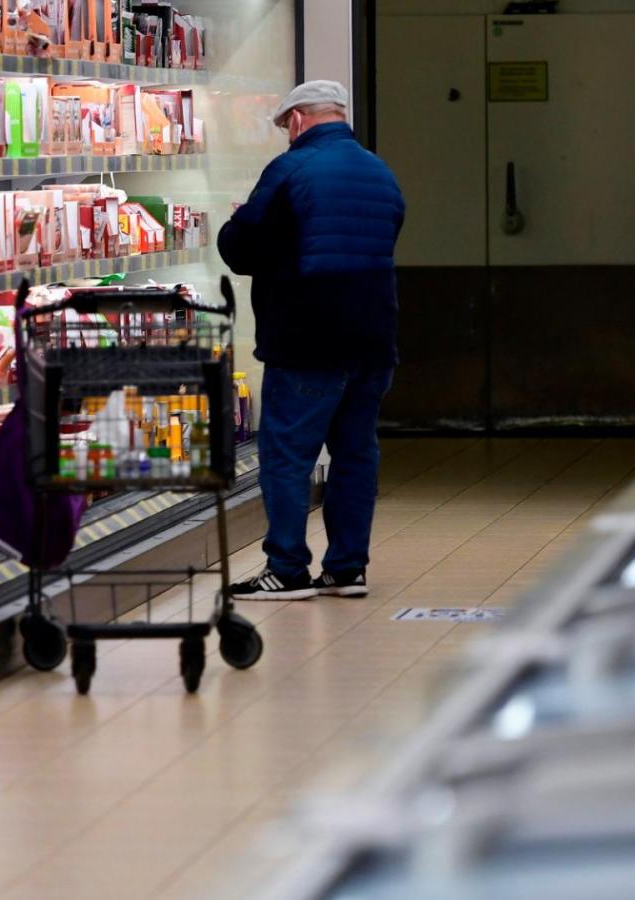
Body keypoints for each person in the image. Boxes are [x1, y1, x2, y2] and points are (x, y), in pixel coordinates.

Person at [218, 80, 405, 601]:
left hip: (306, 339)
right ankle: (347, 569)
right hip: (373, 337)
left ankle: (286, 569)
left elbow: (241, 248)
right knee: (355, 455)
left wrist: (237, 221)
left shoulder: (291, 169)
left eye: (285, 127)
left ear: (297, 119)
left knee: (287, 455)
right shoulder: (379, 170)